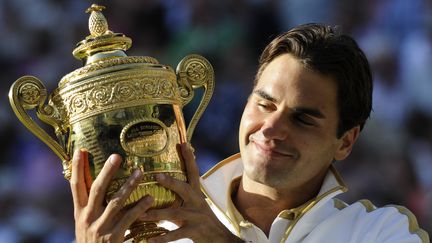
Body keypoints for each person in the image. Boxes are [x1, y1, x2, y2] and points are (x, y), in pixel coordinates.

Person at [70, 23, 429, 242]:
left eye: (303, 119)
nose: (271, 129)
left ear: (345, 142)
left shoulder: (379, 233)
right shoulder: (156, 222)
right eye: (265, 104)